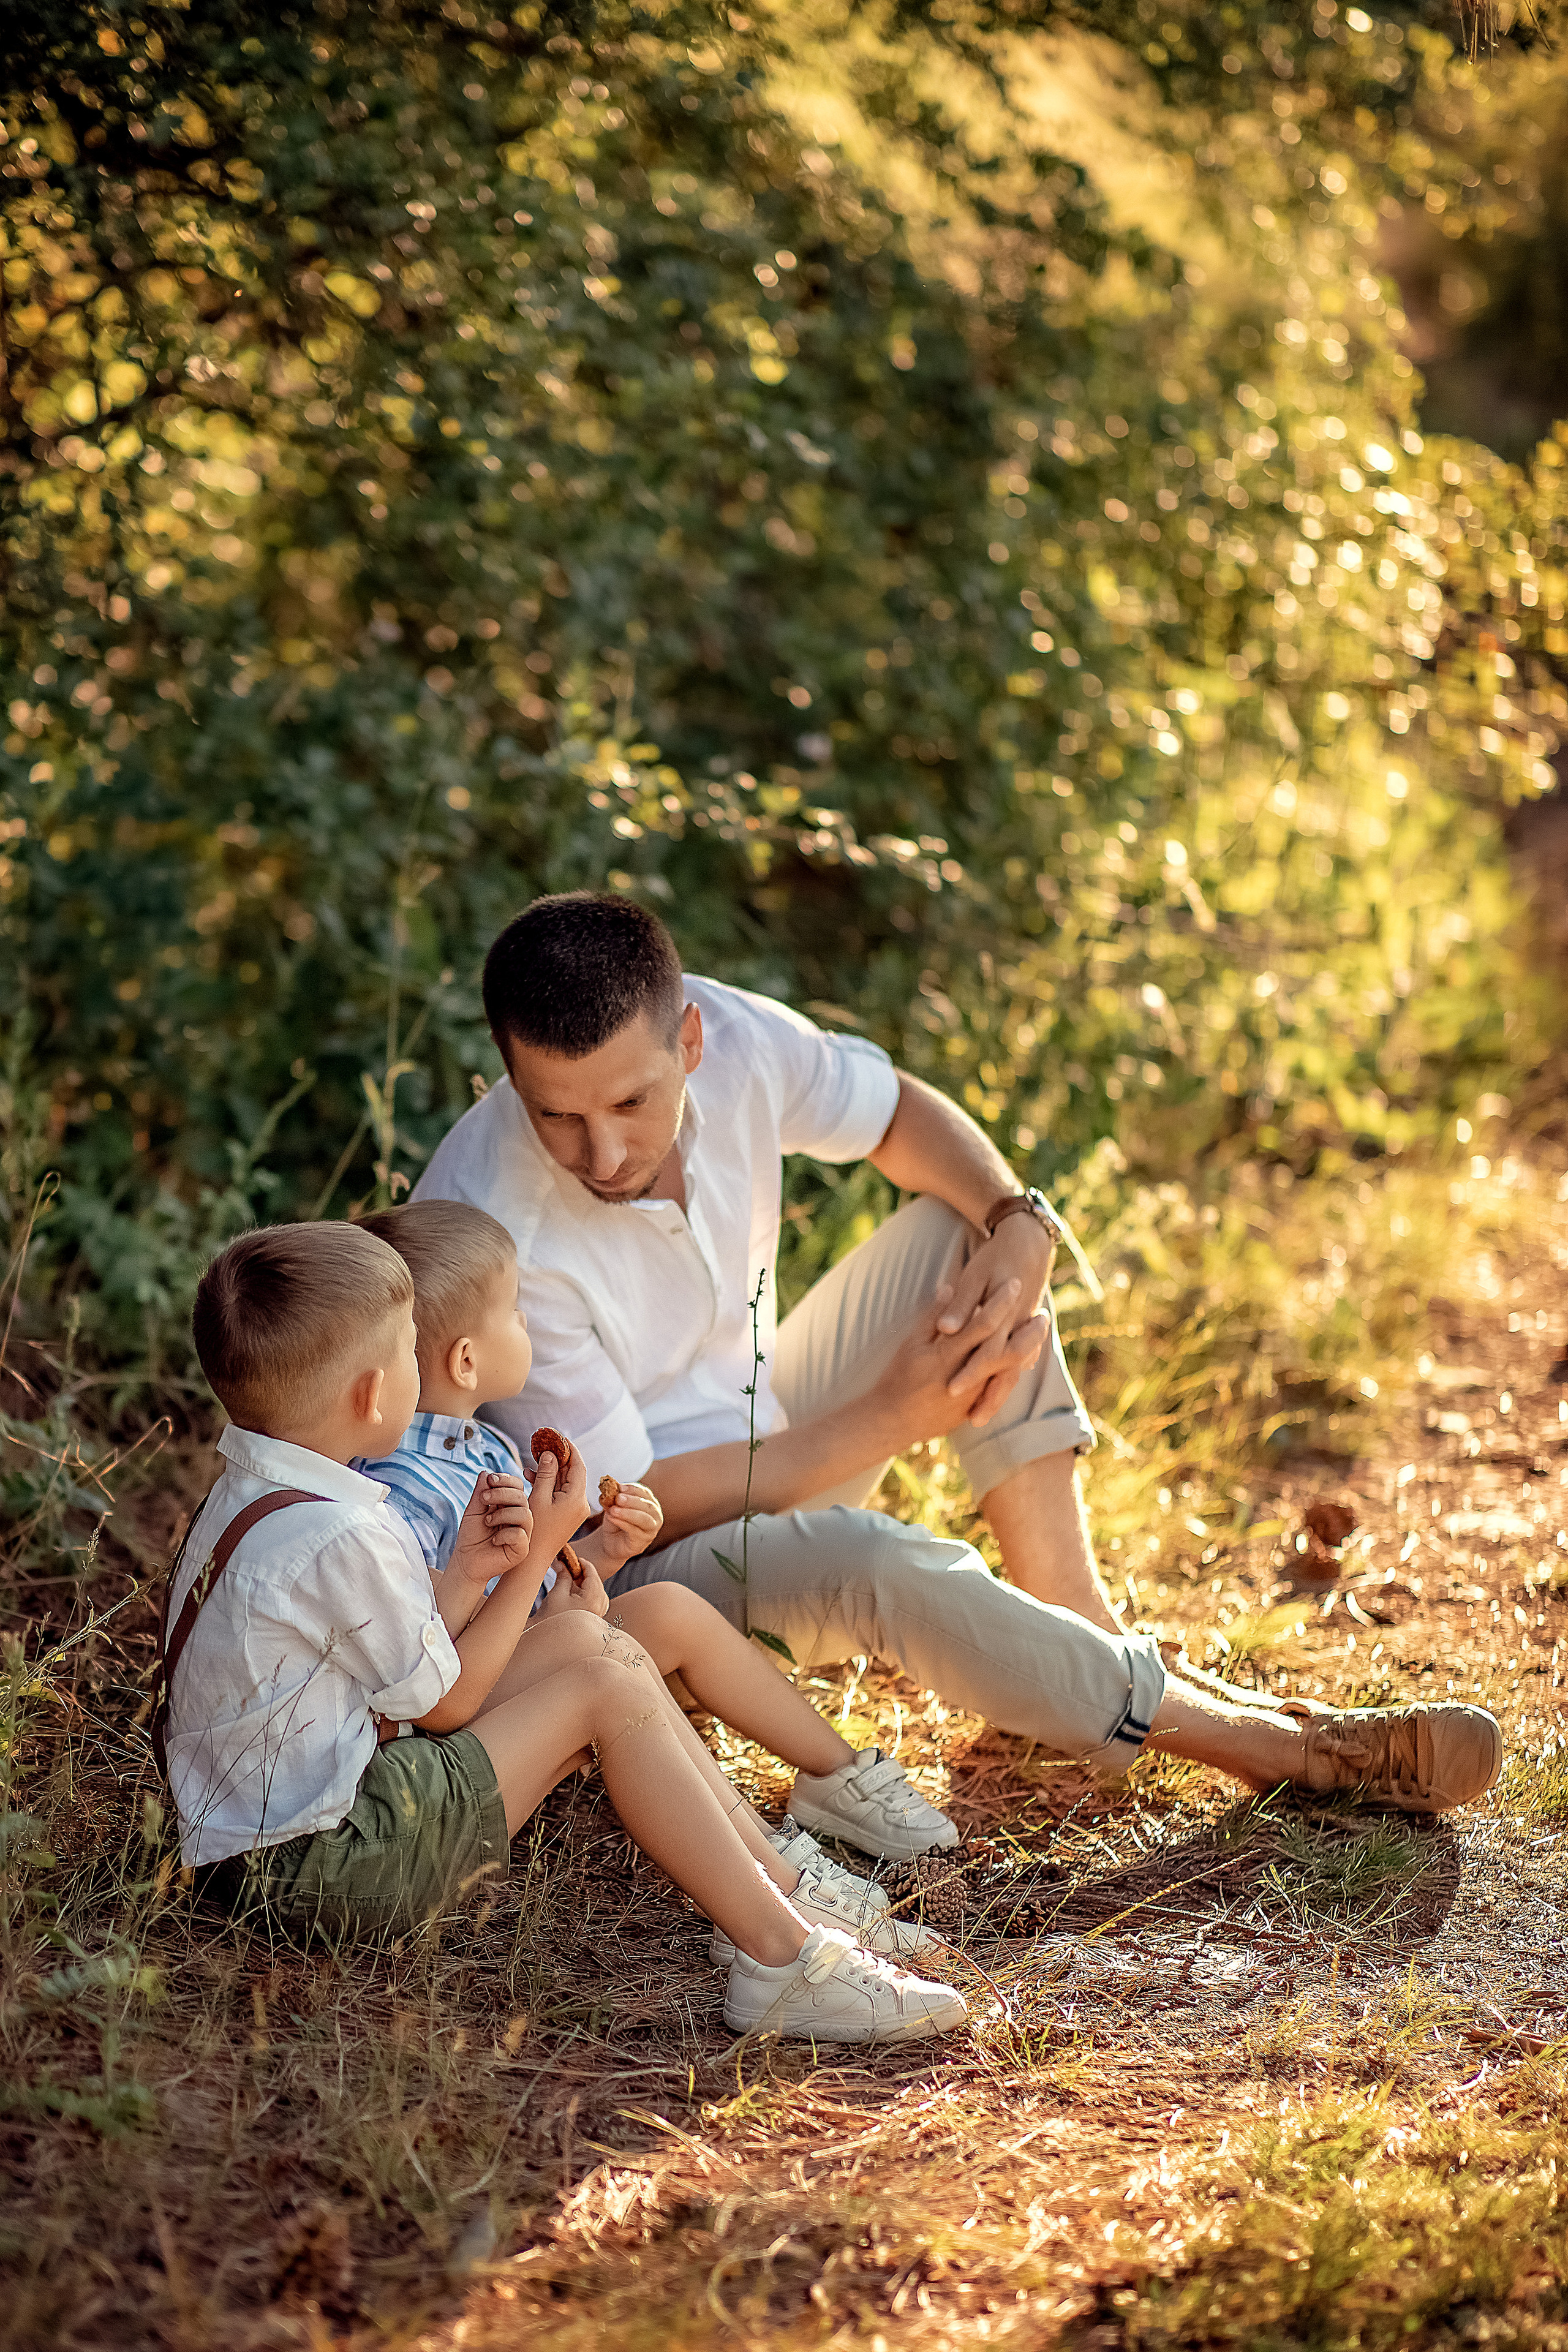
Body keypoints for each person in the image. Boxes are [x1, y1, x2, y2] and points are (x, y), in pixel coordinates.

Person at [411, 892, 1504, 1820]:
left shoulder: (736, 1041)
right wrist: (886, 1419)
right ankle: (1279, 1747)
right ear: (509, 1077)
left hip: (767, 1424)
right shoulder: (494, 1224)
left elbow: (897, 1119)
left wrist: (1019, 1219)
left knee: (959, 1239)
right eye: (557, 1116)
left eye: (631, 1102)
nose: (601, 1152)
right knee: (880, 1561)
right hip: (644, 1567)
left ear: (689, 1041)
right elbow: (630, 1504)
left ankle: (1082, 1638)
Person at [167, 1221, 968, 2043]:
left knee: (598, 1646)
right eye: (411, 1352)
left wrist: (467, 1573)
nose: (421, 1365)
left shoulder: (262, 1493)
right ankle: (782, 1957)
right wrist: (537, 1555)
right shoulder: (344, 1533)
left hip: (272, 1841)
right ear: (374, 1395)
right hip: (318, 1867)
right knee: (604, 1686)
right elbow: (447, 1705)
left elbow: (399, 1669)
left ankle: (779, 1894)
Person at [350, 1197, 956, 1978]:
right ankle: (777, 1883)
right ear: (467, 1362)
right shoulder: (408, 1488)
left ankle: (837, 1779)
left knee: (666, 1607)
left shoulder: (488, 1446)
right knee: (609, 1645)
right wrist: (553, 1574)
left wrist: (600, 1549)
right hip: (466, 1707)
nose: (527, 1324)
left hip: (523, 1654)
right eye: (515, 1312)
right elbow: (440, 1652)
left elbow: (533, 1596)